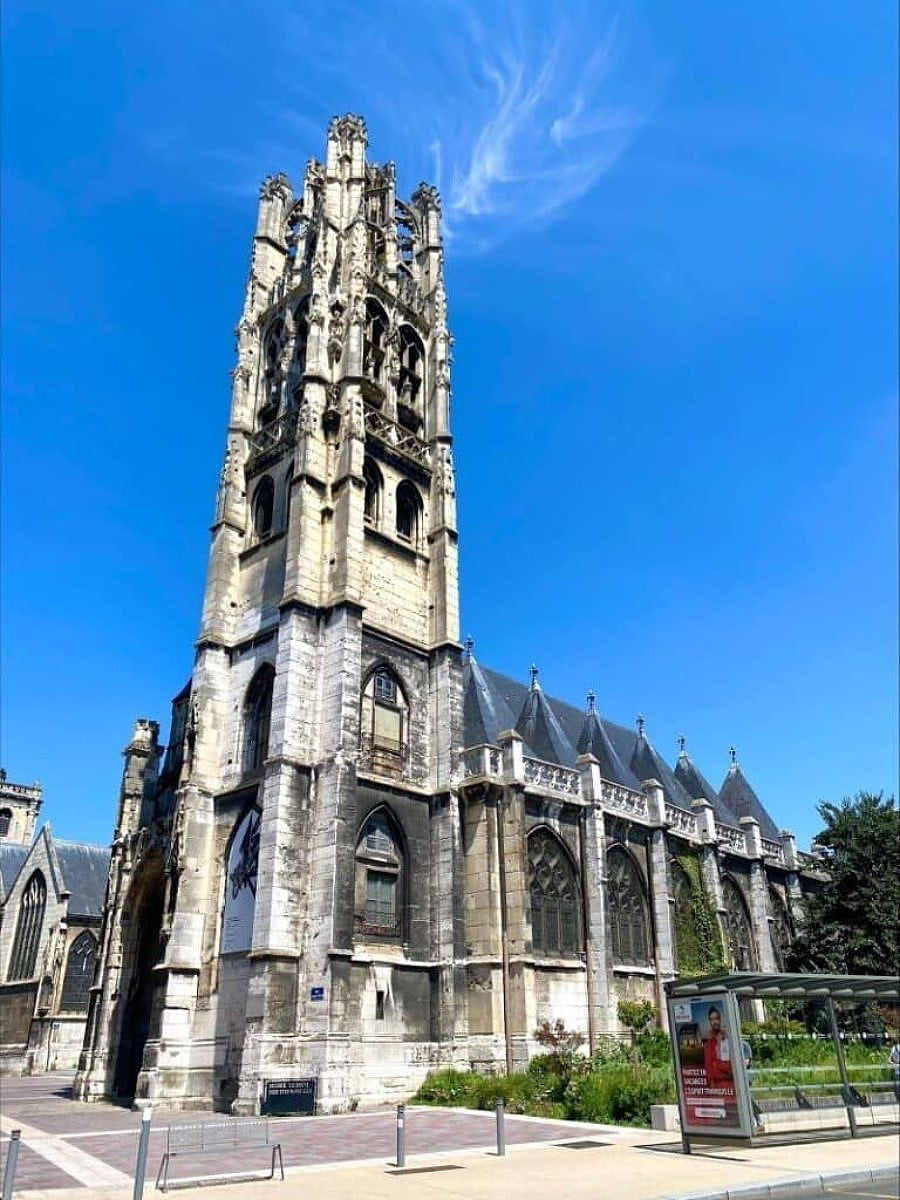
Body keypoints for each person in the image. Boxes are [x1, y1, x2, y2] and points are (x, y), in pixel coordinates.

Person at [703, 1006, 733, 1087]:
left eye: (716, 1018)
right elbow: (708, 1068)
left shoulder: (727, 1038)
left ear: (720, 1020)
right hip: (715, 1089)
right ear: (709, 1022)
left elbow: (732, 1066)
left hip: (729, 1086)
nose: (714, 1021)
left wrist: (717, 1064)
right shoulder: (708, 1043)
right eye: (711, 1019)